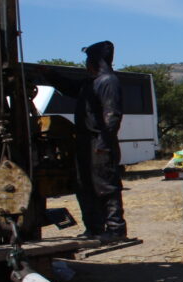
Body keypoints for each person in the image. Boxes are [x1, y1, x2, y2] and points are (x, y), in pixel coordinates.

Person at [45, 41, 128, 242]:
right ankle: (94, 228)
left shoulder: (108, 81)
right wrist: (50, 75)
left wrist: (103, 142)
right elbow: (70, 88)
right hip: (85, 141)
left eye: (88, 59)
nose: (86, 63)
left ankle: (116, 230)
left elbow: (112, 115)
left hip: (99, 142)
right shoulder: (90, 82)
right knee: (84, 186)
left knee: (105, 186)